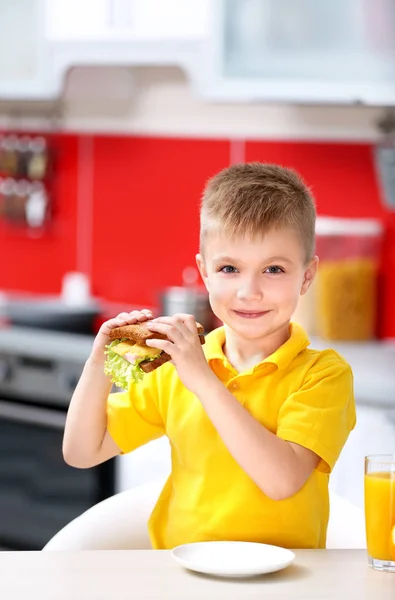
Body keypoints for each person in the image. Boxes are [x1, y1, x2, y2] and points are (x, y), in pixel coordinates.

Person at [63, 162, 356, 550]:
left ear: (306, 275)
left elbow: (281, 481)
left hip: (288, 581)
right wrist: (99, 365)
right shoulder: (175, 369)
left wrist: (203, 380)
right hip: (184, 577)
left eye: (273, 269)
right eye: (230, 268)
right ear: (204, 272)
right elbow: (82, 451)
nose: (249, 292)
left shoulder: (323, 375)